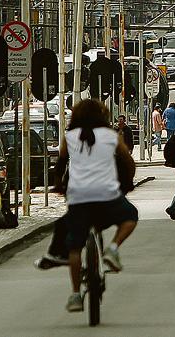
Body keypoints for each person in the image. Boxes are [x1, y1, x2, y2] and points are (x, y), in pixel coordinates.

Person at [51, 100, 139, 313]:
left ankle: (74, 295)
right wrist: (127, 184)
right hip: (107, 195)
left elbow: (60, 165)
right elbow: (128, 162)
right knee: (130, 215)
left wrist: (60, 186)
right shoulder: (112, 136)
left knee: (75, 246)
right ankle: (113, 248)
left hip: (79, 196)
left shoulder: (69, 138)